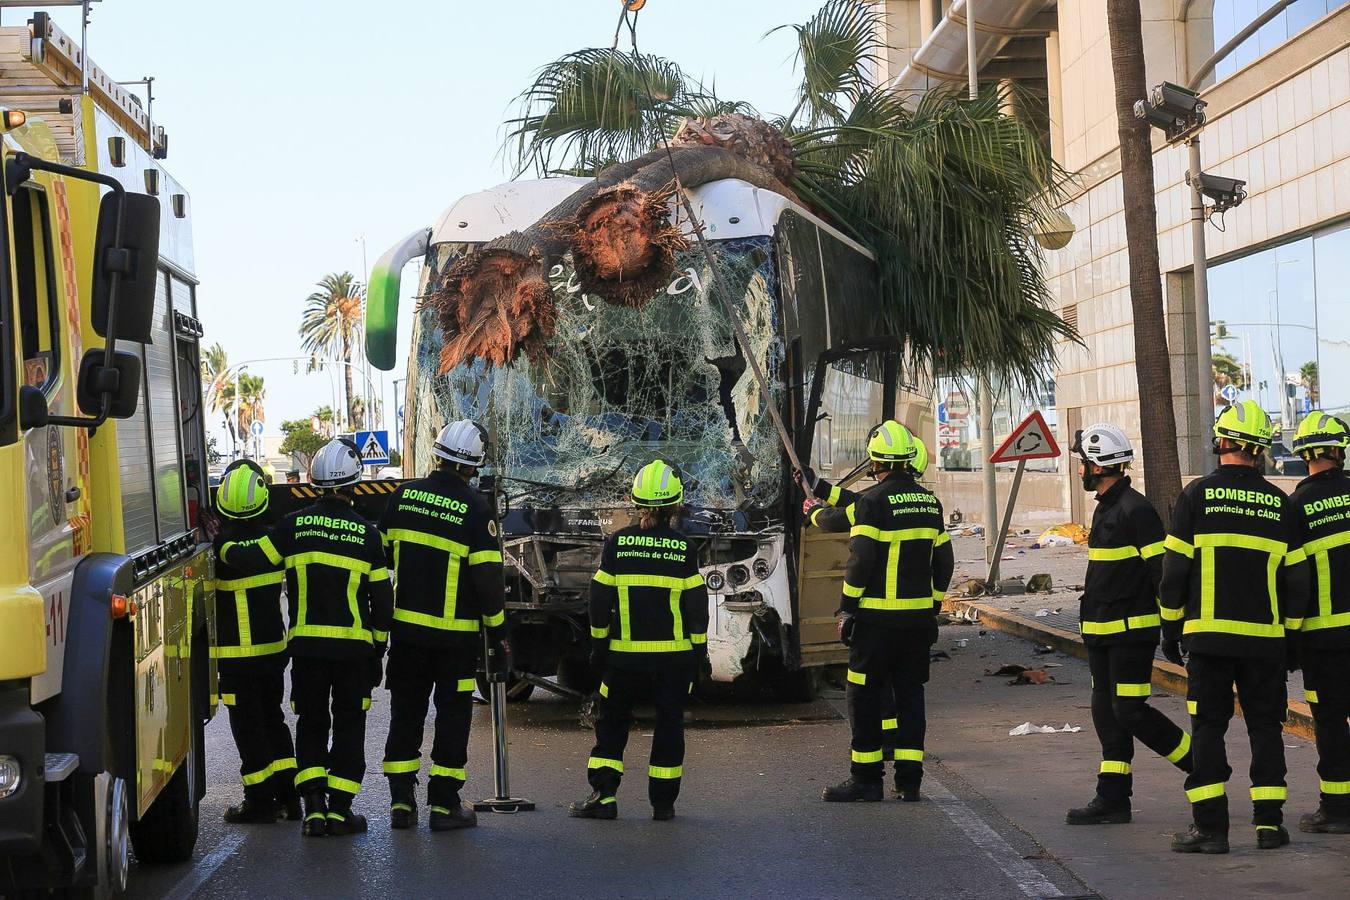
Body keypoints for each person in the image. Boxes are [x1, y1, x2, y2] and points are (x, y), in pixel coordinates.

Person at [220, 438, 394, 837]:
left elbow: (250, 558)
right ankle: (341, 812)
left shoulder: (292, 526)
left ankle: (314, 810)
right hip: (353, 652)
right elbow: (384, 603)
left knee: (311, 724)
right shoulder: (367, 536)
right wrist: (378, 647)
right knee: (350, 726)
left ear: (314, 483)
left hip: (307, 652)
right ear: (353, 485)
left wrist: (222, 544)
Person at [1160, 400, 1309, 853]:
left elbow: (1174, 573)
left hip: (1207, 640)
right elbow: (1298, 583)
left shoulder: (1196, 496)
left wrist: (1171, 629)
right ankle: (1269, 826)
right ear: (1261, 451)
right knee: (1265, 729)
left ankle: (1210, 829)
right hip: (1265, 642)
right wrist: (1293, 638)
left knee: (1208, 728)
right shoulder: (1282, 505)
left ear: (1219, 442)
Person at [378, 420, 509, 832]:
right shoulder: (475, 510)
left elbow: (379, 561)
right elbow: (488, 583)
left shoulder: (402, 498)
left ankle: (401, 803)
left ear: (437, 456)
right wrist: (500, 634)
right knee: (452, 718)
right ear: (472, 466)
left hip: (407, 637)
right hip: (454, 641)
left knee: (406, 714)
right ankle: (443, 804)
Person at [1063, 423, 1193, 826]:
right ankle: (1113, 798)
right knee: (1106, 711)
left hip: (1130, 634)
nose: (1081, 470)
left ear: (1098, 466)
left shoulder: (1136, 510)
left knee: (1129, 710)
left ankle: (1201, 765)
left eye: (1084, 463)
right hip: (1102, 633)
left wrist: (1173, 629)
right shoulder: (1106, 508)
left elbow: (1161, 573)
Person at [816, 420, 953, 803]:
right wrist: (934, 603)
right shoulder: (930, 504)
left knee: (863, 696)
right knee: (910, 696)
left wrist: (847, 607)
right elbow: (944, 561)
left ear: (875, 462)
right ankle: (909, 782)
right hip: (916, 622)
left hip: (876, 622)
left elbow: (861, 560)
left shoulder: (872, 503)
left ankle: (866, 779)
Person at [569, 460, 708, 821]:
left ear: (636, 501)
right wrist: (699, 652)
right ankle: (663, 804)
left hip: (623, 661)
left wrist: (599, 646)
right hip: (673, 662)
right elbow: (696, 608)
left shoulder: (617, 544)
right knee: (669, 726)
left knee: (611, 724)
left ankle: (603, 797)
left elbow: (598, 600)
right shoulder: (684, 549)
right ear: (676, 504)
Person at [212, 461, 298, 824]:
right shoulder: (273, 541)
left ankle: (260, 802)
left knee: (248, 730)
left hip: (237, 660)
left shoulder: (223, 545)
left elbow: (236, 555)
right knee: (274, 721)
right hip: (272, 654)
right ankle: (291, 799)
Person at [1287, 411, 1350, 834]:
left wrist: (1288, 638)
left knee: (1329, 720)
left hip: (1323, 637)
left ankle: (1337, 809)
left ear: (1304, 454)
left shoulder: (1297, 506)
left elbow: (1291, 577)